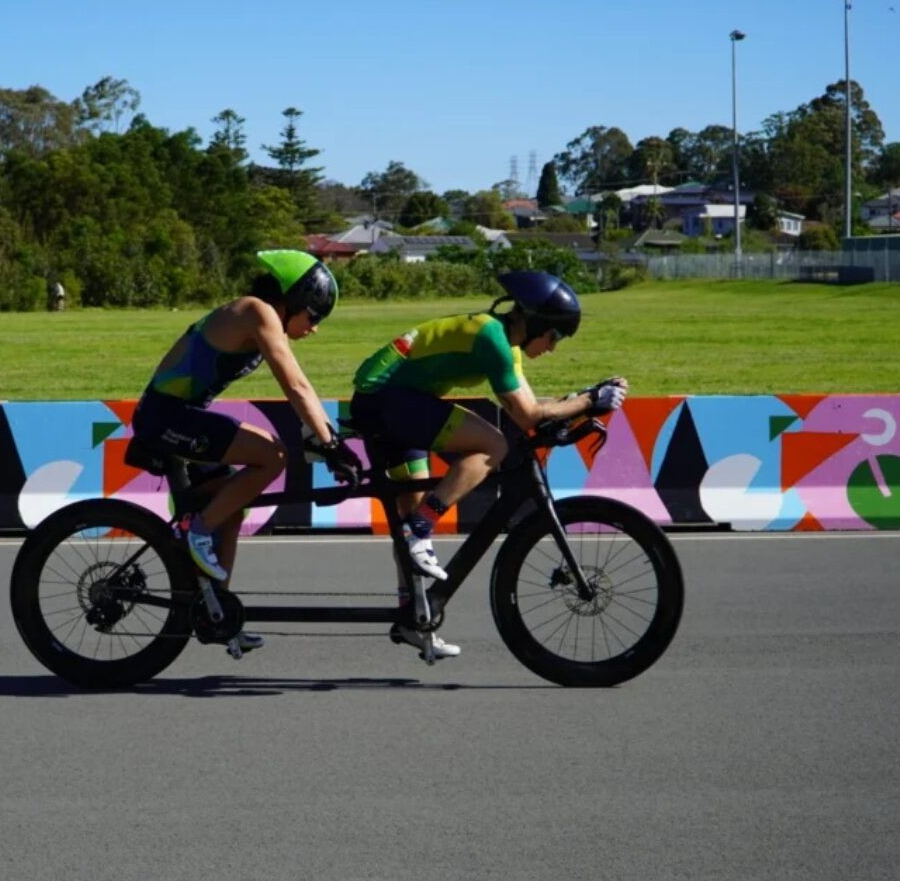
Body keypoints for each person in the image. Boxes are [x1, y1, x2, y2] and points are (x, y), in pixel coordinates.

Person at [348, 271, 627, 660]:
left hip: (392, 399)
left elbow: (530, 408)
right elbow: (528, 416)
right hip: (387, 400)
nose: (553, 348)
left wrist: (581, 399)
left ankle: (412, 616)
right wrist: (590, 400)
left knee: (409, 510)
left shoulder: (504, 343)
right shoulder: (491, 338)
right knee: (492, 445)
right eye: (555, 337)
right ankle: (421, 528)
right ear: (536, 323)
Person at [131, 249, 360, 652]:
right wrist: (330, 443)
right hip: (166, 416)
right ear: (293, 300)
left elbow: (300, 388)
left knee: (232, 509)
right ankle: (197, 531)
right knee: (272, 456)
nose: (315, 329)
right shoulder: (257, 311)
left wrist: (327, 441)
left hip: (179, 414)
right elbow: (295, 385)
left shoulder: (261, 316)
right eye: (314, 317)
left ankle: (216, 614)